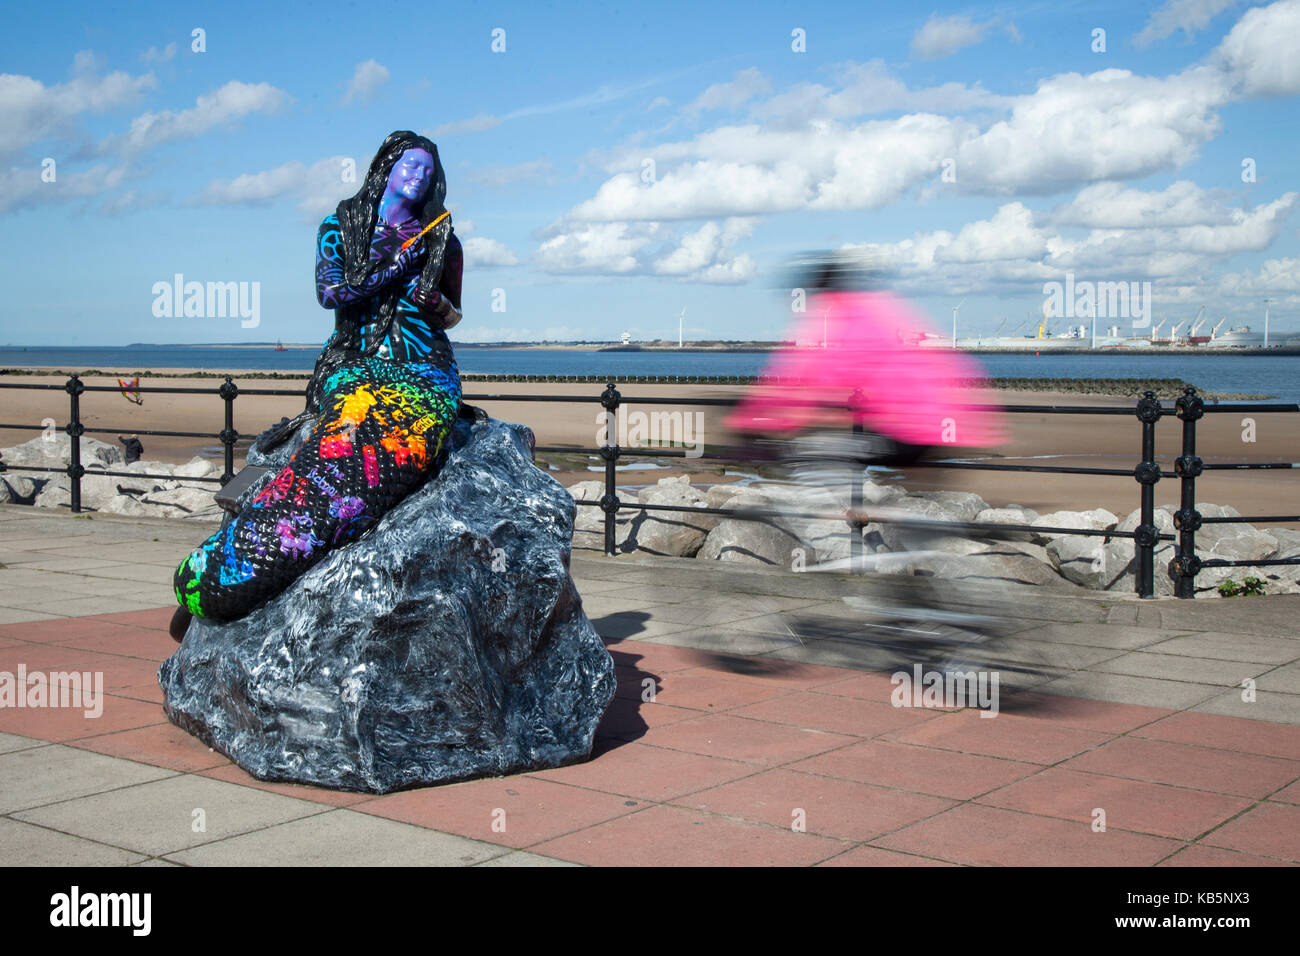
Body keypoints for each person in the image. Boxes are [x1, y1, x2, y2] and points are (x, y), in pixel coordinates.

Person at [171, 131, 465, 634]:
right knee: (346, 439)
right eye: (408, 165)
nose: (419, 176)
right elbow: (332, 294)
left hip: (425, 368)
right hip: (357, 361)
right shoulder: (341, 227)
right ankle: (231, 566)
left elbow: (454, 314)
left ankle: (239, 571)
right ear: (385, 169)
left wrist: (434, 301)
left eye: (427, 170)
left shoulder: (443, 239)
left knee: (397, 451)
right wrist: (401, 262)